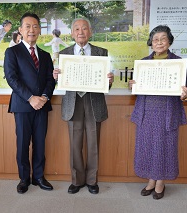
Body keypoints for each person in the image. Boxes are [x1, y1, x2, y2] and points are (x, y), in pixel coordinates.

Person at [128, 25, 187, 200]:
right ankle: (150, 180)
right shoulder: (143, 63)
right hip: (146, 112)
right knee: (147, 147)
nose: (159, 42)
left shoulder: (178, 63)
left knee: (164, 148)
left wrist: (186, 95)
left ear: (169, 41)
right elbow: (136, 89)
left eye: (163, 39)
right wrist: (132, 86)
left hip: (167, 113)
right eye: (155, 39)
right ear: (151, 43)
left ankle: (160, 182)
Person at [53, 18, 114, 194]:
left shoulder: (101, 52)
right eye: (77, 29)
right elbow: (60, 83)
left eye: (84, 28)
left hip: (94, 100)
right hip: (73, 102)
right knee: (75, 143)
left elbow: (104, 83)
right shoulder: (64, 53)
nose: (81, 32)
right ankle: (77, 180)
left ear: (90, 32)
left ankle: (92, 181)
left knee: (93, 143)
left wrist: (109, 81)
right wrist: (56, 77)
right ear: (72, 33)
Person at [4, 13, 56, 194]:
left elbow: (51, 80)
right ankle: (24, 178)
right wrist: (30, 98)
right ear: (20, 30)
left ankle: (39, 177)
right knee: (23, 143)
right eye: (27, 26)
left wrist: (43, 97)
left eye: (35, 26)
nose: (31, 30)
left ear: (40, 30)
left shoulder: (45, 55)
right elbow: (12, 78)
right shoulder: (12, 52)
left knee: (40, 143)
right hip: (22, 105)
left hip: (42, 105)